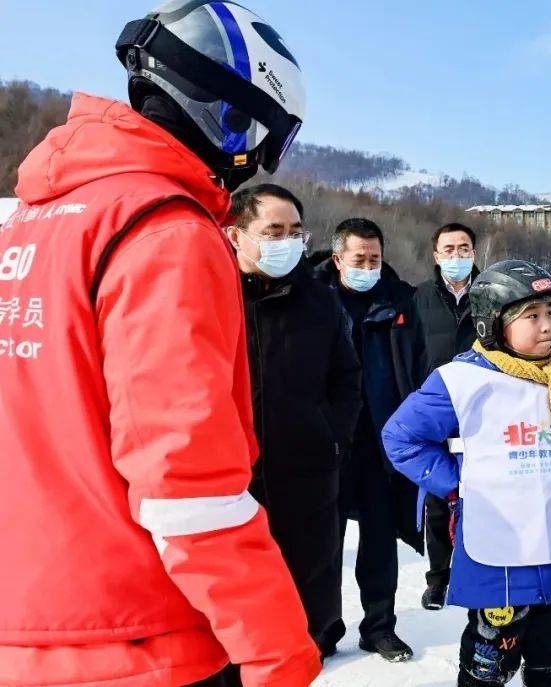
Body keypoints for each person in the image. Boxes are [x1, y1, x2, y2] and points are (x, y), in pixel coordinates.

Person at [0, 2, 320, 686]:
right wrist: (278, 649)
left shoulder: (36, 220)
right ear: (229, 114)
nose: (259, 159)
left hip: (28, 619)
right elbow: (185, 482)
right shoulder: (166, 231)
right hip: (135, 632)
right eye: (268, 136)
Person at [382, 260, 551, 687]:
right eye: (531, 317)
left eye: (550, 313)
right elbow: (402, 437)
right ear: (491, 325)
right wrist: (456, 484)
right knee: (487, 665)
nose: (548, 326)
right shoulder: (462, 381)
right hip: (501, 554)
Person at [226, 184, 362, 658]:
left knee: (310, 569)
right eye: (273, 230)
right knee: (235, 576)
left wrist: (333, 438)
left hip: (306, 462)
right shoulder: (209, 292)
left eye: (295, 231)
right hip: (229, 470)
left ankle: (315, 645)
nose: (287, 241)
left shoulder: (319, 300)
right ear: (235, 234)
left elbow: (346, 377)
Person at [314, 217, 426, 663]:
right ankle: (322, 628)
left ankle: (379, 626)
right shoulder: (313, 299)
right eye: (358, 258)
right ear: (338, 258)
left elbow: (417, 366)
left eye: (374, 258)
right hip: (327, 441)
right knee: (325, 543)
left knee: (380, 542)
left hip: (381, 442)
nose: (367, 265)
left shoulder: (401, 302)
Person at [413, 222, 481, 610]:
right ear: (436, 256)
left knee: (482, 493)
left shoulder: (490, 296)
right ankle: (438, 578)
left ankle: (476, 571)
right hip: (437, 410)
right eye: (449, 249)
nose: (457, 256)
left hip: (480, 410)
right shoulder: (419, 298)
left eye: (464, 248)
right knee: (440, 496)